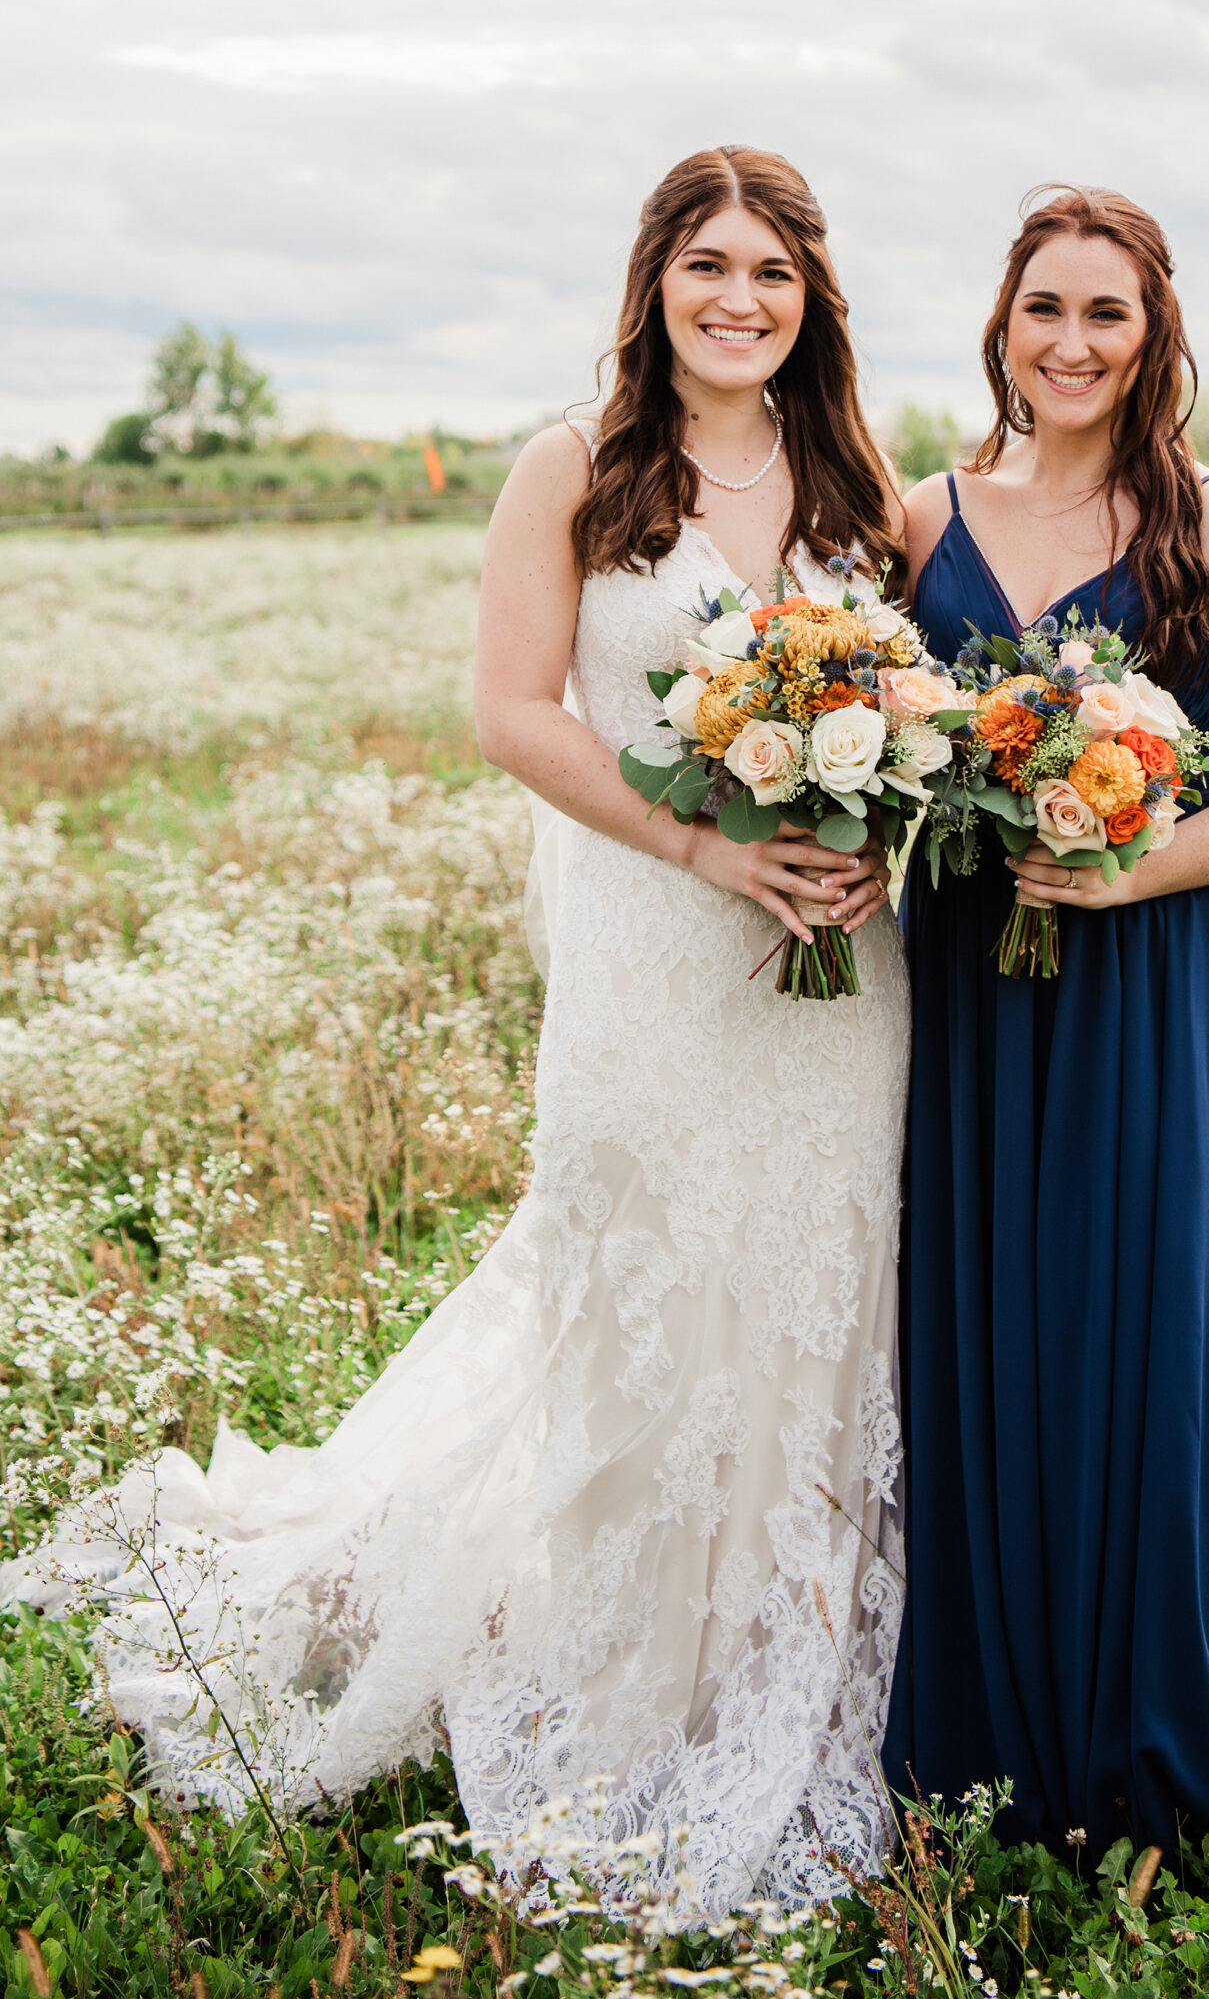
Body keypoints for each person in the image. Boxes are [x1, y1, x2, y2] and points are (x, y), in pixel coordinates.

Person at [3, 146, 910, 1915]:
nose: (740, 299)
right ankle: (624, 1651)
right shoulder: (571, 473)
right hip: (659, 942)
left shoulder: (855, 481)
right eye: (708, 265)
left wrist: (875, 840)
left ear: (813, 301)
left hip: (842, 972)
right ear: (654, 280)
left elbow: (915, 700)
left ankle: (792, 1643)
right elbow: (508, 710)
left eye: (774, 274)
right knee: (646, 1280)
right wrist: (704, 845)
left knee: (818, 1288)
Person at [882, 184, 1209, 1857]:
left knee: (1147, 1339)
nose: (1069, 344)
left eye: (1106, 315)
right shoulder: (913, 512)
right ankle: (998, 1728)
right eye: (1042, 310)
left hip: (1160, 980)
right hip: (970, 1001)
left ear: (1152, 340)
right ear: (998, 325)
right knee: (986, 1329)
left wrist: (1126, 873)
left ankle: (1164, 1716)